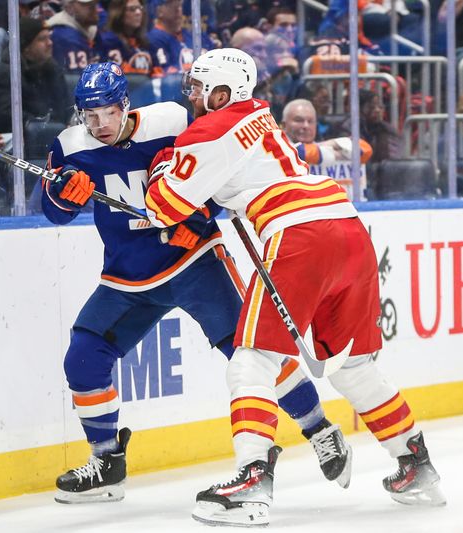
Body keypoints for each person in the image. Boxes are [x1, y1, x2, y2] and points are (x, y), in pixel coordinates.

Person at [144, 48, 445, 527]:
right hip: (346, 225)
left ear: (223, 93)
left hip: (299, 235)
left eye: (200, 89)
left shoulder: (208, 129)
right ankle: (417, 466)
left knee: (250, 361)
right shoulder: (261, 116)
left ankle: (251, 480)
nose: (194, 98)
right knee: (354, 368)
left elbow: (162, 207)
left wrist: (162, 169)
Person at [43, 62, 353, 505]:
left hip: (195, 261)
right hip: (127, 275)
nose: (99, 125)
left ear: (124, 104)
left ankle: (318, 428)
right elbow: (54, 212)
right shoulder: (70, 146)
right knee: (84, 357)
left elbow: (216, 164)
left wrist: (197, 217)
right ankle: (107, 463)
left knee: (254, 353)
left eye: (107, 113)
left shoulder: (171, 119)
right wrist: (61, 194)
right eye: (89, 116)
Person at [0, 18, 72, 133]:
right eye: (42, 39)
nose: (50, 43)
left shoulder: (53, 69)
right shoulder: (7, 74)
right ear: (26, 47)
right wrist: (46, 126)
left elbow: (66, 108)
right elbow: (6, 117)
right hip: (24, 139)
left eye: (49, 38)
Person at [147, 0, 214, 74]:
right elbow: (166, 74)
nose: (178, 10)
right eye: (171, 6)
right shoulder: (155, 39)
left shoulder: (193, 36)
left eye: (179, 5)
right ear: (159, 11)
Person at [96, 0, 156, 76]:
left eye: (140, 8)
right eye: (132, 9)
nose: (138, 12)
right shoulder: (108, 42)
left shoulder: (145, 42)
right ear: (119, 13)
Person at [47, 0, 100, 72]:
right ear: (69, 8)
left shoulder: (90, 29)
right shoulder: (64, 36)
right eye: (87, 5)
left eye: (94, 3)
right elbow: (79, 80)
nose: (94, 8)